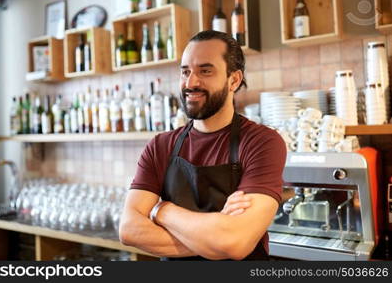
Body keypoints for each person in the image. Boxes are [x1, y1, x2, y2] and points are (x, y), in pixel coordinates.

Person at [119, 30, 286, 260]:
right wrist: (215, 239)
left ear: (234, 80)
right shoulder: (160, 146)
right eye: (185, 71)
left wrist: (162, 210)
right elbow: (129, 229)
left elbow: (235, 243)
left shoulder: (262, 142)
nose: (191, 82)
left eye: (205, 71)